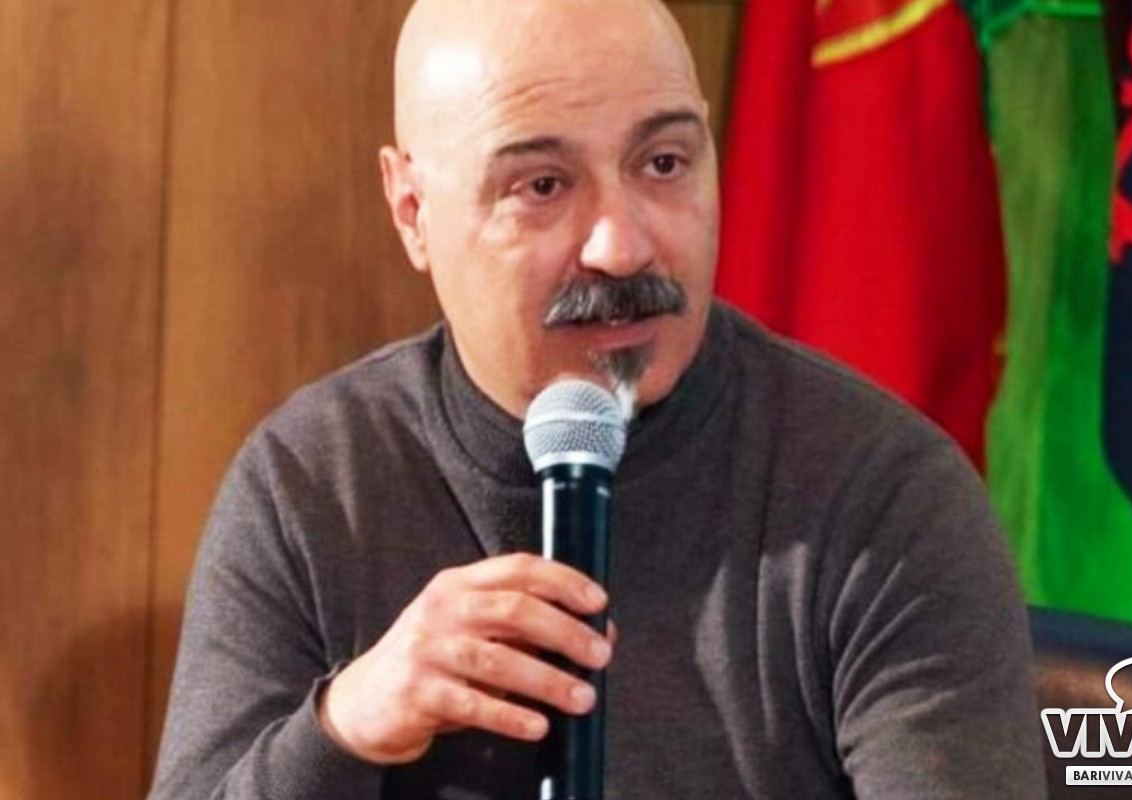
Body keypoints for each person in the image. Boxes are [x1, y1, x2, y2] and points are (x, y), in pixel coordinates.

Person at [148, 0, 1048, 798]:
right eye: (542, 186)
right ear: (413, 210)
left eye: (663, 163)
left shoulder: (883, 495)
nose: (622, 246)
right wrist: (342, 728)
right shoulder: (311, 483)